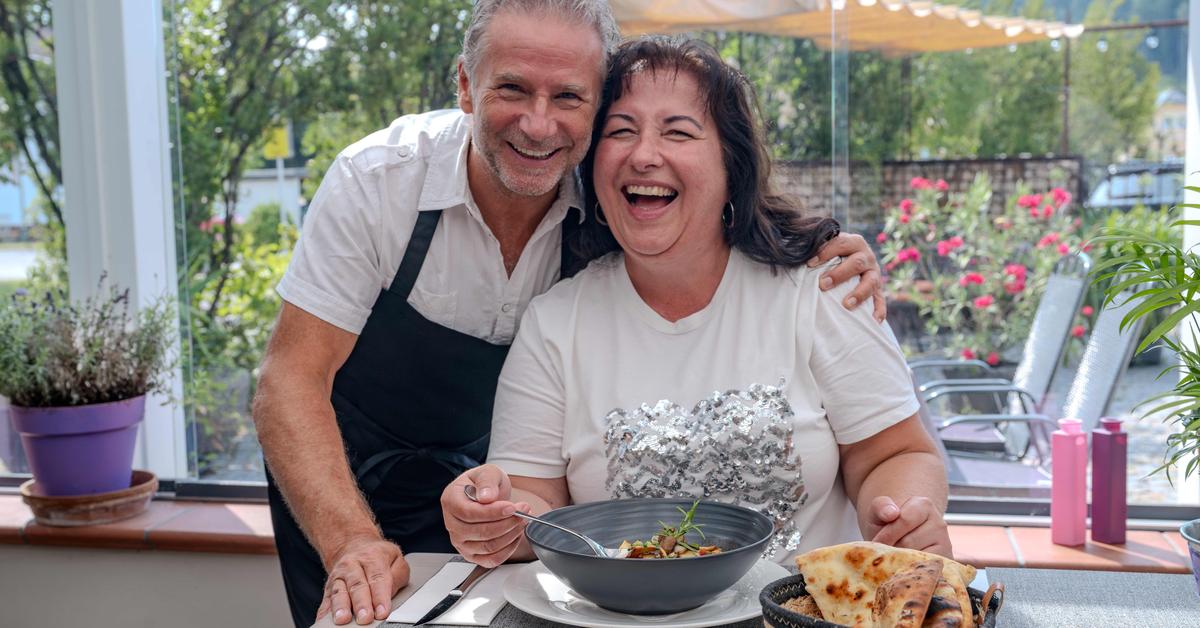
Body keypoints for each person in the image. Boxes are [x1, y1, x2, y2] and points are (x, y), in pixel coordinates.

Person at [254, 2, 884, 626]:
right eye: (513, 88)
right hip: (343, 474)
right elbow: (290, 381)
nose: (538, 123)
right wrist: (352, 543)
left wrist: (813, 244)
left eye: (568, 98)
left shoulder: (616, 185)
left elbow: (707, 202)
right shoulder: (380, 182)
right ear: (467, 86)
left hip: (491, 487)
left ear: (596, 105)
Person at [441, 36, 951, 570]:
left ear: (732, 165)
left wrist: (901, 516)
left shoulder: (820, 288)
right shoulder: (554, 322)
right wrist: (496, 518)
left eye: (678, 132)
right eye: (621, 131)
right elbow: (533, 506)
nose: (644, 155)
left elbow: (895, 453)